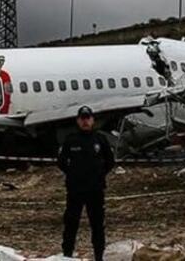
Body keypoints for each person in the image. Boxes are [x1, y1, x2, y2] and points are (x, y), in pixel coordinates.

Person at [58, 105, 115, 261]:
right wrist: (73, 174)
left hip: (95, 189)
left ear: (92, 120)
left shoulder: (100, 139)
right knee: (71, 224)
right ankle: (67, 255)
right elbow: (61, 162)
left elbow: (110, 161)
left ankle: (99, 256)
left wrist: (99, 174)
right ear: (78, 120)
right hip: (75, 190)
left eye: (88, 118)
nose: (85, 121)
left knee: (97, 225)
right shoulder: (71, 140)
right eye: (82, 118)